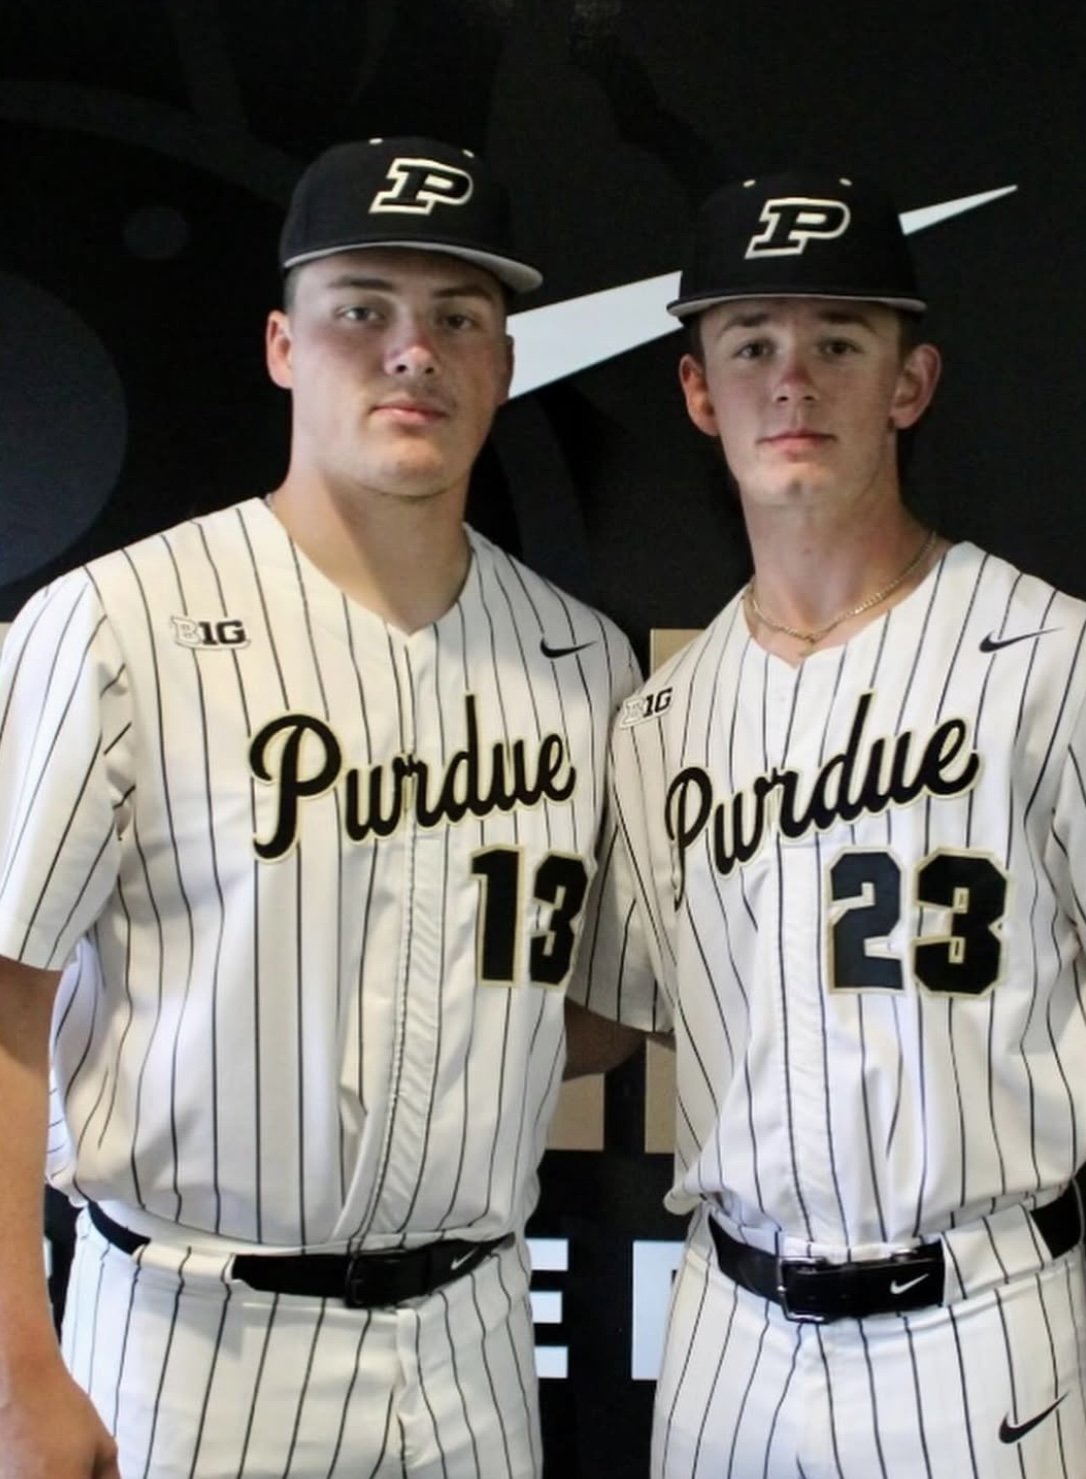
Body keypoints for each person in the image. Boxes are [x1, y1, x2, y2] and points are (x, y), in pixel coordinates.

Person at [0, 135, 638, 1479]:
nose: (414, 350)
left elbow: (588, 1022)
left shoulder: (584, 659)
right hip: (192, 1340)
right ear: (285, 344)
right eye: (363, 309)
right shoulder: (118, 622)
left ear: (505, 364)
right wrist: (17, 1379)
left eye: (459, 317)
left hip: (473, 1337)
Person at [569, 167, 1086, 1477]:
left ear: (908, 383)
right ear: (696, 392)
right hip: (727, 1332)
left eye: (838, 342)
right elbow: (599, 1021)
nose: (792, 381)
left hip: (975, 1327)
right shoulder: (660, 720)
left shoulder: (1064, 663)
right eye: (751, 345)